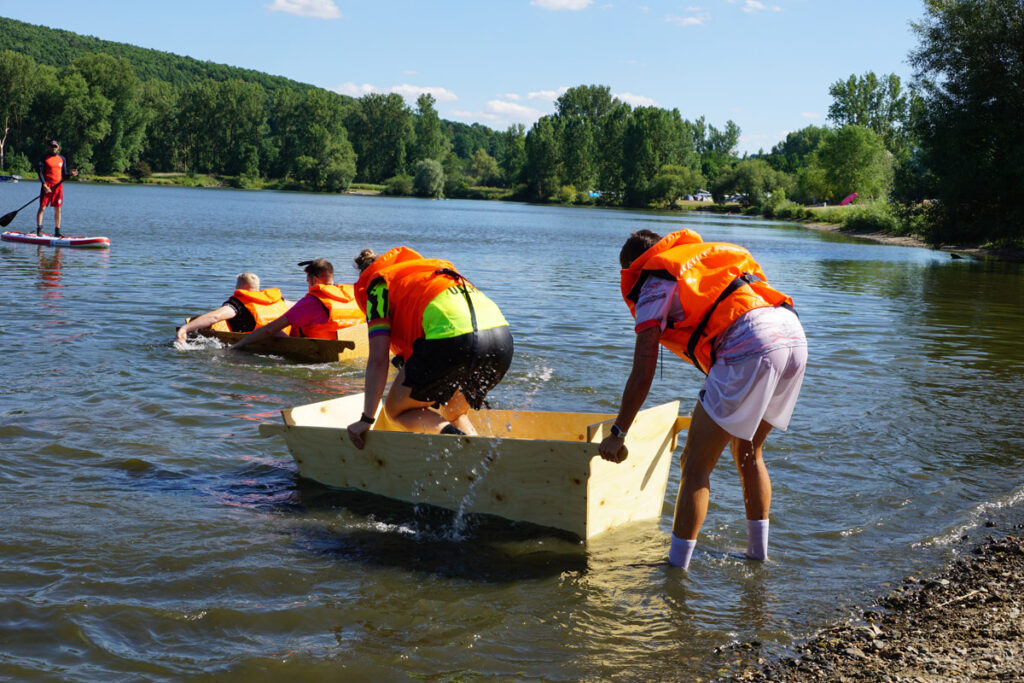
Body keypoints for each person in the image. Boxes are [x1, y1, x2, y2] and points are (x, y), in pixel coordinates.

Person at [598, 229, 807, 570]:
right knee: (749, 452)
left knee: (694, 464)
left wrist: (618, 432)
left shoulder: (652, 281)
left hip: (751, 340)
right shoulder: (697, 262)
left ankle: (675, 570)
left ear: (633, 268)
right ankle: (758, 556)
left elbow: (642, 373)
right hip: (792, 332)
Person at [346, 247, 514, 449]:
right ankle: (480, 455)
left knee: (396, 411)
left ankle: (459, 443)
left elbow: (378, 360)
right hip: (501, 340)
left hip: (454, 338)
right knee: (455, 413)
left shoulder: (379, 285)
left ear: (364, 275)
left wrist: (366, 419)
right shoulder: (428, 273)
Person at [230, 258, 362, 350]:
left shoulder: (312, 302)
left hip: (319, 353)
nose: (307, 283)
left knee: (270, 330)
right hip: (351, 347)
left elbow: (270, 329)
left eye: (307, 280)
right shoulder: (351, 296)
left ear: (314, 279)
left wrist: (237, 346)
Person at [175, 272, 290, 344]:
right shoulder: (279, 300)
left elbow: (215, 317)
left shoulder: (238, 303)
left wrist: (185, 328)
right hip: (285, 339)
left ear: (239, 286)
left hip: (256, 343)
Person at [36, 140, 78, 237]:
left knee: (58, 209)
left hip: (58, 187)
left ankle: (57, 231)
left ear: (58, 147)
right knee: (42, 207)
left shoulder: (62, 159)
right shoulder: (44, 158)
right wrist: (44, 185)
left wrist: (71, 174)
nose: (53, 148)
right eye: (51, 146)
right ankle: (39, 230)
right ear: (49, 147)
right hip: (47, 186)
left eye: (55, 146)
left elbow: (64, 174)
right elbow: (40, 172)